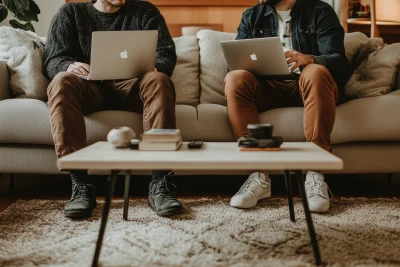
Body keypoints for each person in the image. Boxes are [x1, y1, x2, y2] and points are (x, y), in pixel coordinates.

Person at [44, 0, 183, 218]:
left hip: (133, 86)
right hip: (90, 88)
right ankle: (80, 185)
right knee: (62, 81)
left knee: (158, 79)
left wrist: (157, 65)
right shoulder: (70, 13)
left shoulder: (145, 12)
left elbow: (166, 53)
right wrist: (66, 66)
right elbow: (52, 59)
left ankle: (160, 183)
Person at [225, 0, 349, 212]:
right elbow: (236, 61)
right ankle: (259, 175)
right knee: (235, 78)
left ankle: (315, 172)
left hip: (310, 85)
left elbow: (339, 63)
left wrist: (308, 58)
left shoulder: (320, 12)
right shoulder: (252, 16)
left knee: (316, 71)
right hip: (269, 87)